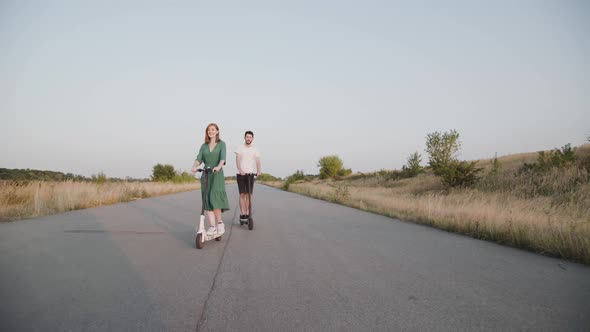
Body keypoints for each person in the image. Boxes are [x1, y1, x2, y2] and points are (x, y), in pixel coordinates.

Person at [191, 123, 230, 236]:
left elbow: (222, 158)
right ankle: (212, 227)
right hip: (206, 175)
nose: (210, 132)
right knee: (207, 200)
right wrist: (194, 166)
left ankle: (220, 223)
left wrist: (218, 167)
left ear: (217, 131)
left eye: (213, 130)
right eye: (209, 130)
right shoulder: (204, 146)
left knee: (215, 199)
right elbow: (199, 158)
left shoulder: (222, 144)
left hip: (216, 174)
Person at [235, 130, 261, 222]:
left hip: (250, 174)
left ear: (252, 138)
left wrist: (258, 171)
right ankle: (242, 213)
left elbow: (258, 161)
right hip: (241, 174)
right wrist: (240, 170)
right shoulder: (240, 147)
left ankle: (247, 212)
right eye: (247, 137)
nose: (248, 138)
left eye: (250, 137)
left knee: (249, 195)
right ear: (244, 137)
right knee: (242, 194)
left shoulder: (255, 149)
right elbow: (237, 159)